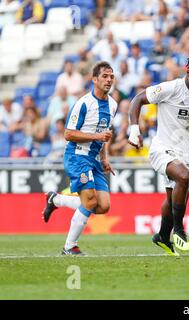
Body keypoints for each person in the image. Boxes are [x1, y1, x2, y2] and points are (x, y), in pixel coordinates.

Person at [127, 50, 189, 256]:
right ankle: (179, 229)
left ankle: (162, 236)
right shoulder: (171, 88)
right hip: (162, 148)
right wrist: (135, 129)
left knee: (173, 201)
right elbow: (137, 100)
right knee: (184, 177)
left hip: (186, 152)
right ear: (187, 71)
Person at [41, 62, 117, 255]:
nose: (109, 80)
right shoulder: (83, 103)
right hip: (77, 156)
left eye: (111, 76)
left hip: (95, 159)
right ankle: (69, 247)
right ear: (94, 79)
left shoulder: (113, 105)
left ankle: (56, 200)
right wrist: (97, 137)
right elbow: (68, 134)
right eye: (105, 76)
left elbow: (105, 134)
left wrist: (105, 158)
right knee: (90, 201)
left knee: (103, 206)